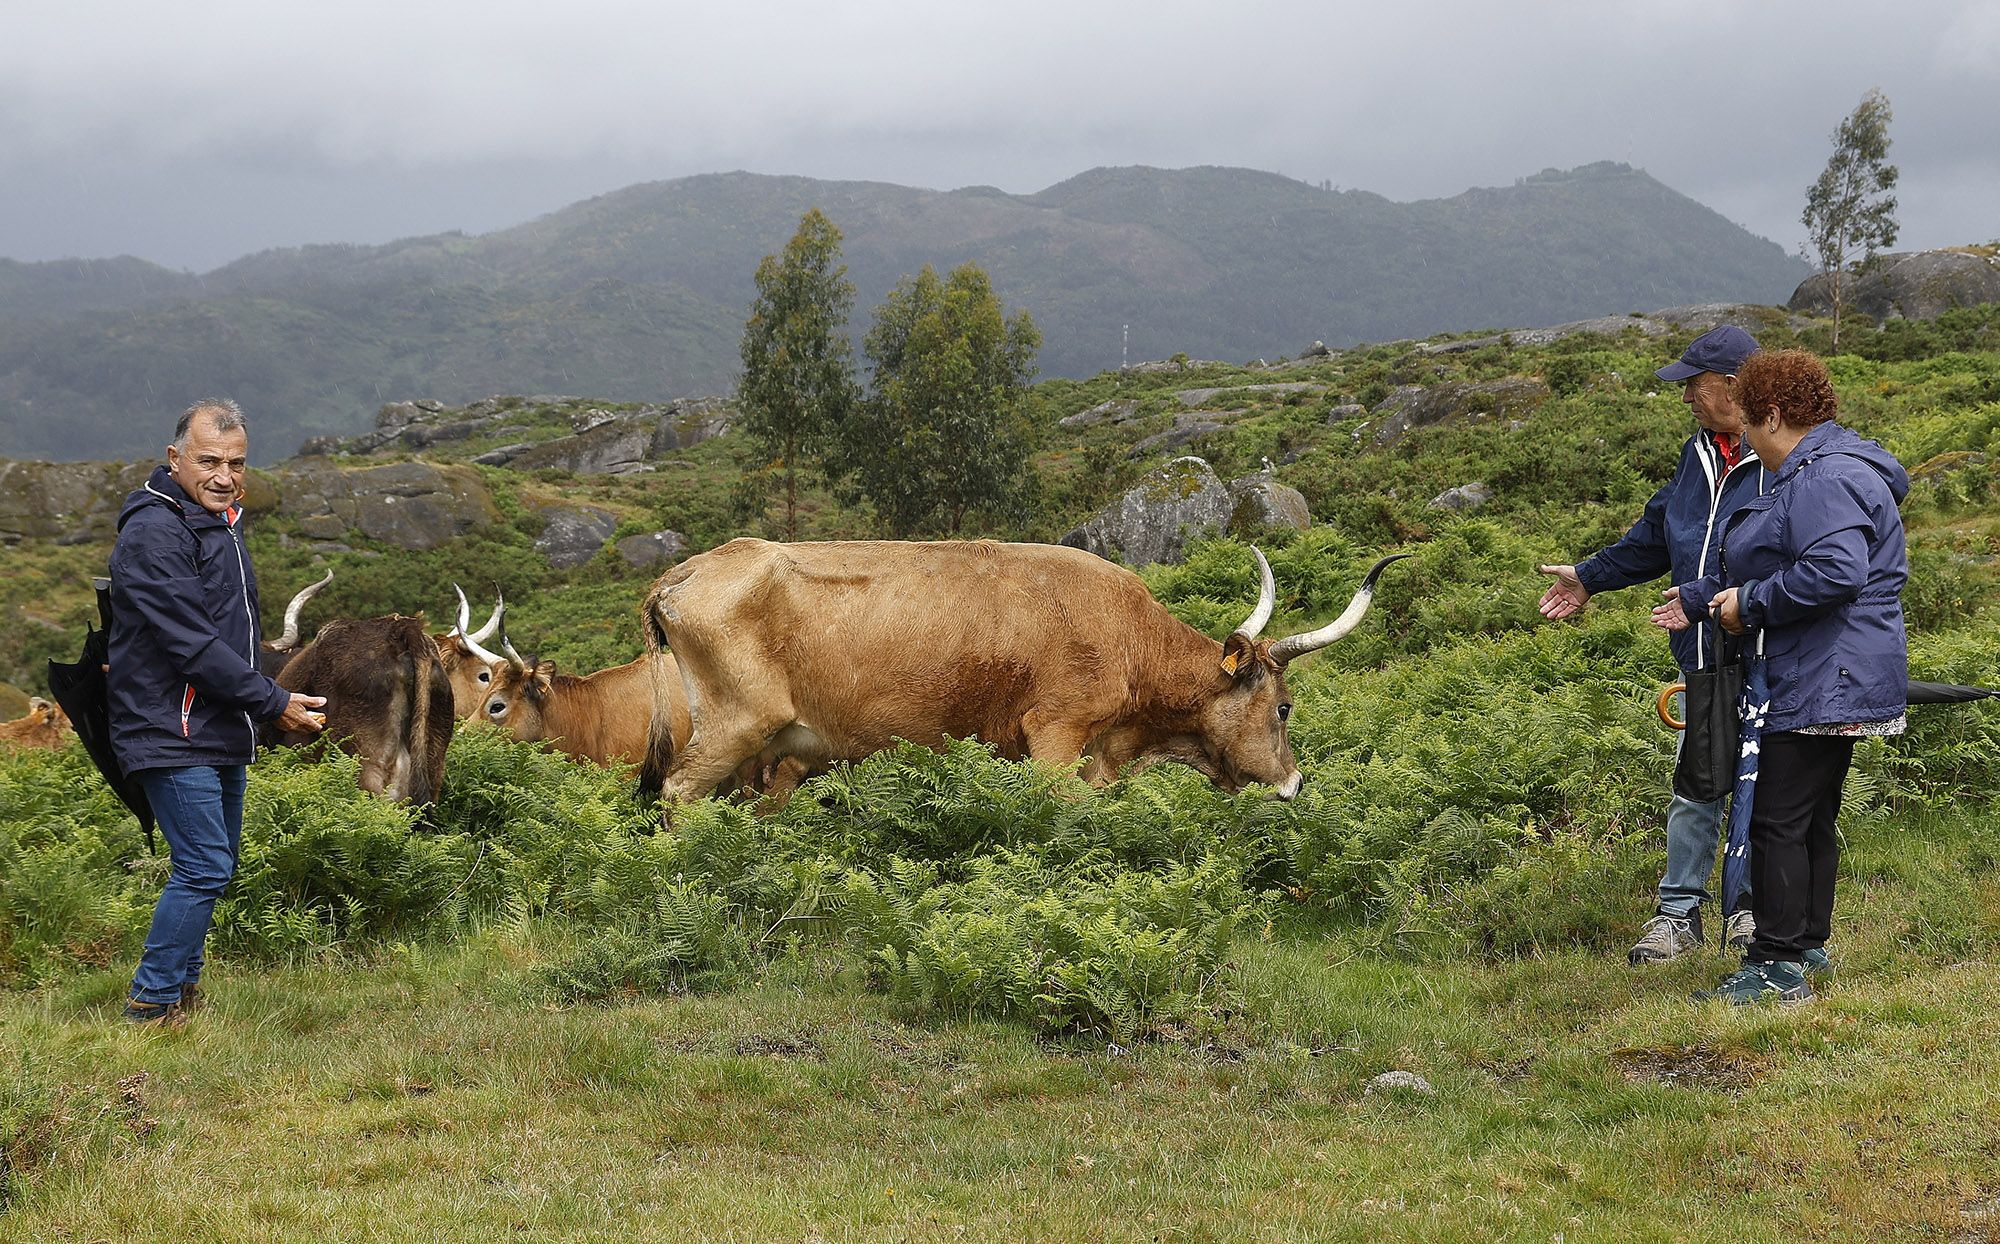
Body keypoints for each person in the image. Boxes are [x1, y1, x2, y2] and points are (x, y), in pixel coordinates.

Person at [1666, 350, 1908, 1004]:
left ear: (1773, 415)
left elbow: (1835, 571)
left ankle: (1775, 967)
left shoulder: (1821, 479)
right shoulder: (1832, 469)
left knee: (1775, 820)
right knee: (1808, 819)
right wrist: (1701, 597)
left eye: (1747, 422)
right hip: (1843, 674)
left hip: (1819, 676)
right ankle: (1805, 945)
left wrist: (1751, 605)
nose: (1742, 436)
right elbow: (1781, 552)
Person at [1536, 324, 1766, 963]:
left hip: (1770, 654)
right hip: (1702, 655)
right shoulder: (1697, 455)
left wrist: (1713, 600)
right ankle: (1680, 916)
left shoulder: (1782, 457)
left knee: (1763, 782)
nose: (1685, 395)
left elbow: (1786, 554)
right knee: (1699, 778)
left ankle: (1749, 911)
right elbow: (1656, 534)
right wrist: (1588, 578)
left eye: (1694, 384)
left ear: (1732, 387)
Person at [108, 399, 326, 1025]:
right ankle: (151, 1004)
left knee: (214, 864)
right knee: (204, 863)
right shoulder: (154, 533)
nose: (224, 475)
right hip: (170, 727)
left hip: (216, 723)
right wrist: (273, 700)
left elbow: (231, 636)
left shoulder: (216, 524)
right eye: (208, 461)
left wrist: (264, 700)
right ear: (175, 459)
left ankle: (181, 998)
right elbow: (192, 645)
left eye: (236, 463)